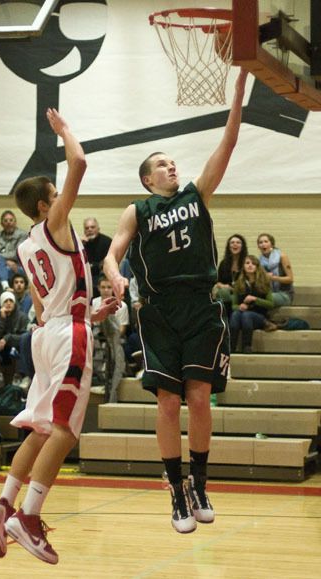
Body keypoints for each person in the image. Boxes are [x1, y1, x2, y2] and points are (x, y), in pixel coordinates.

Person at [104, 69, 248, 535]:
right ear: (147, 179)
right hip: (160, 310)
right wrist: (114, 278)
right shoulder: (137, 209)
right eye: (161, 164)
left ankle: (200, 483)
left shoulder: (196, 194)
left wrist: (238, 100)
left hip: (201, 307)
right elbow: (113, 253)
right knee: (168, 404)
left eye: (172, 162)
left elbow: (224, 148)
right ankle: (174, 488)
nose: (172, 167)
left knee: (201, 398)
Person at [0, 107, 117, 565]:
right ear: (45, 205)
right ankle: (29, 516)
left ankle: (3, 505)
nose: (64, 198)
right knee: (64, 430)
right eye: (57, 195)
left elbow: (43, 308)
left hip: (47, 332)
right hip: (66, 335)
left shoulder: (24, 245)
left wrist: (92, 311)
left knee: (40, 429)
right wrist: (64, 132)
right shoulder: (56, 224)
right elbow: (79, 163)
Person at [92, 275, 129, 402]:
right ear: (98, 288)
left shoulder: (122, 305)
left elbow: (122, 329)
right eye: (103, 287)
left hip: (114, 337)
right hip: (97, 336)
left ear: (113, 289)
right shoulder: (94, 302)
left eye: (109, 287)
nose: (106, 290)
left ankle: (111, 384)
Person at [0, 210, 28, 313]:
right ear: (1, 223)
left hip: (17, 267)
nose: (8, 222)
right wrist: (5, 261)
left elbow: (17, 253)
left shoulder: (23, 235)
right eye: (5, 220)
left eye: (11, 220)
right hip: (2, 266)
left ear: (15, 222)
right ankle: (5, 286)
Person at [229, 255, 276, 353]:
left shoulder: (264, 282)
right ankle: (230, 347)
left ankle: (247, 346)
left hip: (259, 317)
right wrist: (239, 307)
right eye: (247, 263)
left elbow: (270, 304)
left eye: (253, 263)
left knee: (247, 315)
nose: (250, 265)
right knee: (235, 314)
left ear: (257, 267)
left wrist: (255, 299)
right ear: (244, 267)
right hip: (242, 316)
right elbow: (234, 305)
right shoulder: (239, 283)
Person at [0, 291, 28, 370]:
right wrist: (2, 319)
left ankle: (20, 374)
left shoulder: (22, 316)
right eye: (6, 301)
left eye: (11, 301)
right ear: (1, 304)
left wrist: (7, 338)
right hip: (0, 347)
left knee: (16, 348)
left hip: (15, 346)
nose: (9, 303)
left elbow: (24, 338)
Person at [214, 233, 248, 317]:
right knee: (223, 293)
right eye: (232, 242)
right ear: (229, 247)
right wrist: (224, 286)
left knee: (224, 295)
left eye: (238, 242)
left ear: (242, 246)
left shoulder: (247, 262)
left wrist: (233, 288)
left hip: (242, 294)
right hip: (227, 295)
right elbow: (218, 282)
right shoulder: (224, 263)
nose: (235, 244)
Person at [257, 232, 294, 307]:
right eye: (260, 242)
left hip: (284, 294)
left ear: (272, 244)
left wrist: (273, 278)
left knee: (263, 299)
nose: (263, 244)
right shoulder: (259, 261)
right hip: (269, 292)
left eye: (266, 241)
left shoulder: (282, 256)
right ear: (258, 246)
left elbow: (290, 279)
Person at [81, 217, 112, 295]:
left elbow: (106, 264)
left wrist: (92, 266)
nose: (89, 230)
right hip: (86, 276)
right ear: (84, 231)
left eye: (92, 227)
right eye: (87, 228)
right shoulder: (81, 244)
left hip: (102, 276)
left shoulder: (107, 241)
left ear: (98, 229)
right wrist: (80, 246)